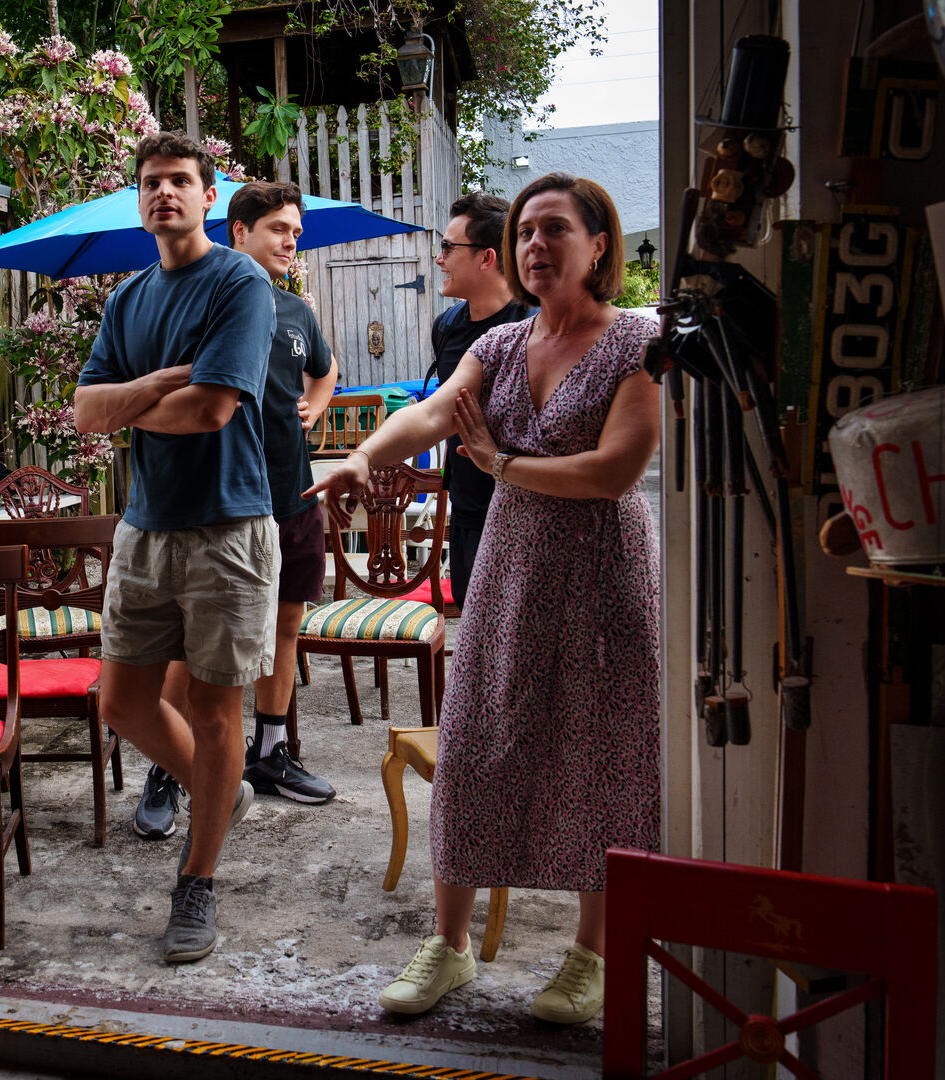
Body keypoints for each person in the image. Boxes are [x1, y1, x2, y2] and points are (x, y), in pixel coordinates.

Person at [306, 173, 661, 1023]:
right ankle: (450, 946)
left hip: (602, 573)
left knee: (601, 754)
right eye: (528, 231)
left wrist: (502, 466)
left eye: (556, 229)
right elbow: (430, 415)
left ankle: (590, 958)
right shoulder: (500, 347)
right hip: (510, 568)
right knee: (473, 746)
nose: (537, 244)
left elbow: (615, 471)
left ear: (599, 244)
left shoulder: (638, 342)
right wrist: (364, 458)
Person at [72, 133, 279, 964]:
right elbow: (87, 414)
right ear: (140, 199)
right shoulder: (127, 301)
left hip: (227, 528)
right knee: (120, 703)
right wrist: (159, 382)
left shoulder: (241, 282)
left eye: (181, 182)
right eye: (152, 183)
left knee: (214, 710)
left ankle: (197, 881)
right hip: (145, 529)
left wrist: (129, 400)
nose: (166, 194)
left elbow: (212, 412)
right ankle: (218, 797)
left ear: (207, 195)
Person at [135, 180, 340, 840]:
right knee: (188, 645)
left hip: (294, 494)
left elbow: (325, 368)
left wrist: (320, 403)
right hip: (221, 505)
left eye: (296, 230)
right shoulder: (201, 304)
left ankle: (271, 751)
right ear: (238, 232)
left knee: (286, 625)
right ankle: (169, 767)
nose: (291, 240)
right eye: (279, 228)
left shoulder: (295, 309)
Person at [424, 192, 533, 604]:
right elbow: (440, 410)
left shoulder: (534, 325)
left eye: (448, 247)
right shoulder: (447, 326)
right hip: (467, 506)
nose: (439, 258)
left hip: (523, 509)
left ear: (487, 258)